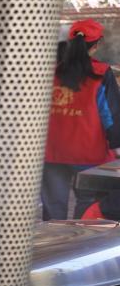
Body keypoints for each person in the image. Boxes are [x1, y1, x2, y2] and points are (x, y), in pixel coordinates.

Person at [42, 19, 120, 220]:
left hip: (52, 152)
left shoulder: (49, 71)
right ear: (97, 44)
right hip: (89, 154)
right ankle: (80, 245)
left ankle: (56, 249)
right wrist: (117, 146)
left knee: (53, 210)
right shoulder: (101, 72)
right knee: (86, 209)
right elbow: (110, 114)